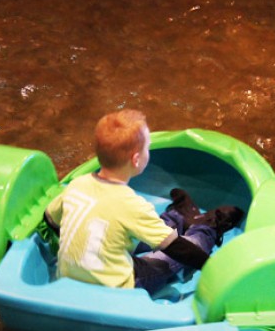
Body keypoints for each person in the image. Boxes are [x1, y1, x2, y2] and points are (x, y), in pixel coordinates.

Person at [43, 109, 244, 294]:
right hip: (118, 286)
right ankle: (204, 225)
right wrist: (216, 271)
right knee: (170, 258)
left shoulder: (77, 185)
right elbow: (178, 249)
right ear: (136, 159)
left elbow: (50, 219)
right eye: (148, 148)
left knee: (136, 229)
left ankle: (177, 217)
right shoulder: (130, 204)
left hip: (69, 278)